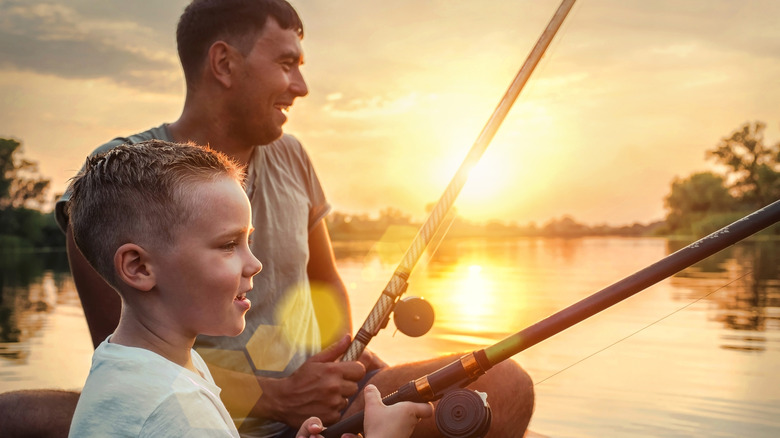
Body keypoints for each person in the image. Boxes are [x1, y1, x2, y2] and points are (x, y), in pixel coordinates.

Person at [0, 0, 534, 437]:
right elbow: (118, 347)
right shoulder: (118, 182)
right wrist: (277, 398)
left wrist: (347, 359)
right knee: (18, 415)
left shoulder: (294, 155)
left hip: (318, 404)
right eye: (287, 63)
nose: (300, 86)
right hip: (211, 409)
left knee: (504, 385)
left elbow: (324, 281)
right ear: (225, 64)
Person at [65, 139, 432, 437]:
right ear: (139, 267)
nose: (255, 264)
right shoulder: (175, 409)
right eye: (228, 245)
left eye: (248, 242)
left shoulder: (140, 366)